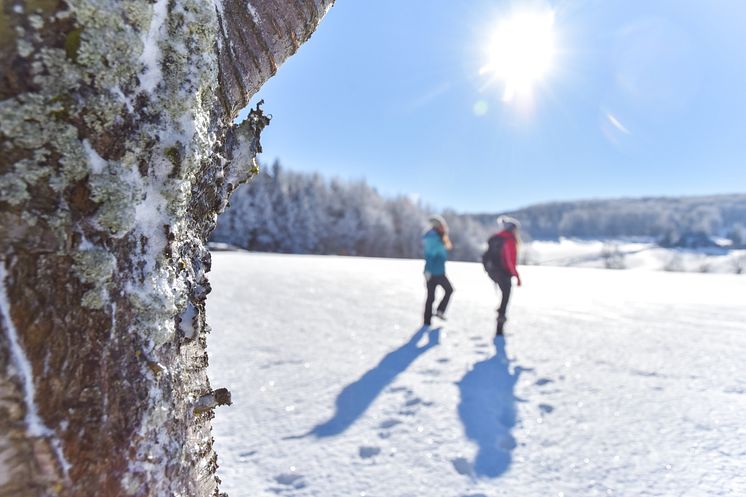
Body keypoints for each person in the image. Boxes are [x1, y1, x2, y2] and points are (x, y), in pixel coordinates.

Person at [485, 216, 522, 335]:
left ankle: (500, 315)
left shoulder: (497, 237)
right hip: (504, 274)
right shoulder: (509, 239)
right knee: (505, 299)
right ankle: (499, 328)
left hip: (494, 272)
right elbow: (509, 260)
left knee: (503, 298)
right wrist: (516, 275)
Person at [422, 215, 454, 326]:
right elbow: (429, 255)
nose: (444, 228)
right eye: (441, 226)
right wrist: (428, 271)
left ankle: (433, 316)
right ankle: (429, 319)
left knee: (433, 296)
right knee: (443, 292)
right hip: (434, 272)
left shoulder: (439, 237)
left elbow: (446, 248)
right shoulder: (433, 238)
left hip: (438, 271)